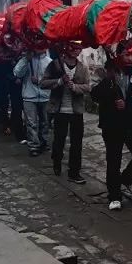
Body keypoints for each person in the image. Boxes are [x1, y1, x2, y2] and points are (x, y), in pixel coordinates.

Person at [90, 41, 132, 211]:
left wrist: (127, 105)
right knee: (113, 160)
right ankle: (114, 195)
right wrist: (108, 81)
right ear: (118, 54)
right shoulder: (104, 72)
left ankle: (127, 178)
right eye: (127, 55)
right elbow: (94, 95)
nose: (130, 59)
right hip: (112, 124)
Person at [41, 44, 90, 184]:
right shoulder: (55, 65)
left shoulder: (83, 67)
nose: (76, 50)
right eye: (73, 47)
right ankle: (56, 161)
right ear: (66, 47)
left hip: (76, 111)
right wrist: (59, 81)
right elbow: (43, 83)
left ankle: (74, 172)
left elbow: (88, 87)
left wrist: (75, 87)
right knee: (59, 140)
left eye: (79, 48)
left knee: (77, 143)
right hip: (60, 110)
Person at [13, 45, 52, 156]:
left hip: (45, 96)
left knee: (45, 122)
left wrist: (39, 81)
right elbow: (17, 73)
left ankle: (44, 142)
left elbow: (51, 79)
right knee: (31, 123)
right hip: (29, 96)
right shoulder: (26, 60)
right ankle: (34, 145)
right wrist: (26, 60)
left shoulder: (49, 62)